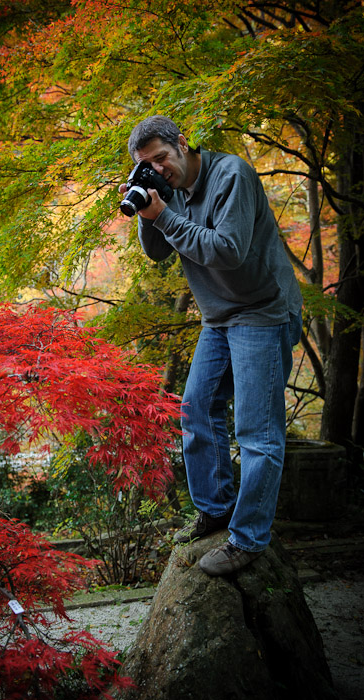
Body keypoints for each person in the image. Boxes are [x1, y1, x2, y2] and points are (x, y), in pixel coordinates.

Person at [121, 115, 302, 576]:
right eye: (148, 165)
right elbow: (159, 251)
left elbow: (227, 250)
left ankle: (248, 539)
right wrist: (146, 206)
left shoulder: (231, 175)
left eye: (162, 158)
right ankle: (215, 510)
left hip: (263, 310)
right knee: (196, 409)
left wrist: (163, 215)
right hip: (220, 316)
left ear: (182, 144)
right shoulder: (171, 189)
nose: (159, 169)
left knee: (257, 434)